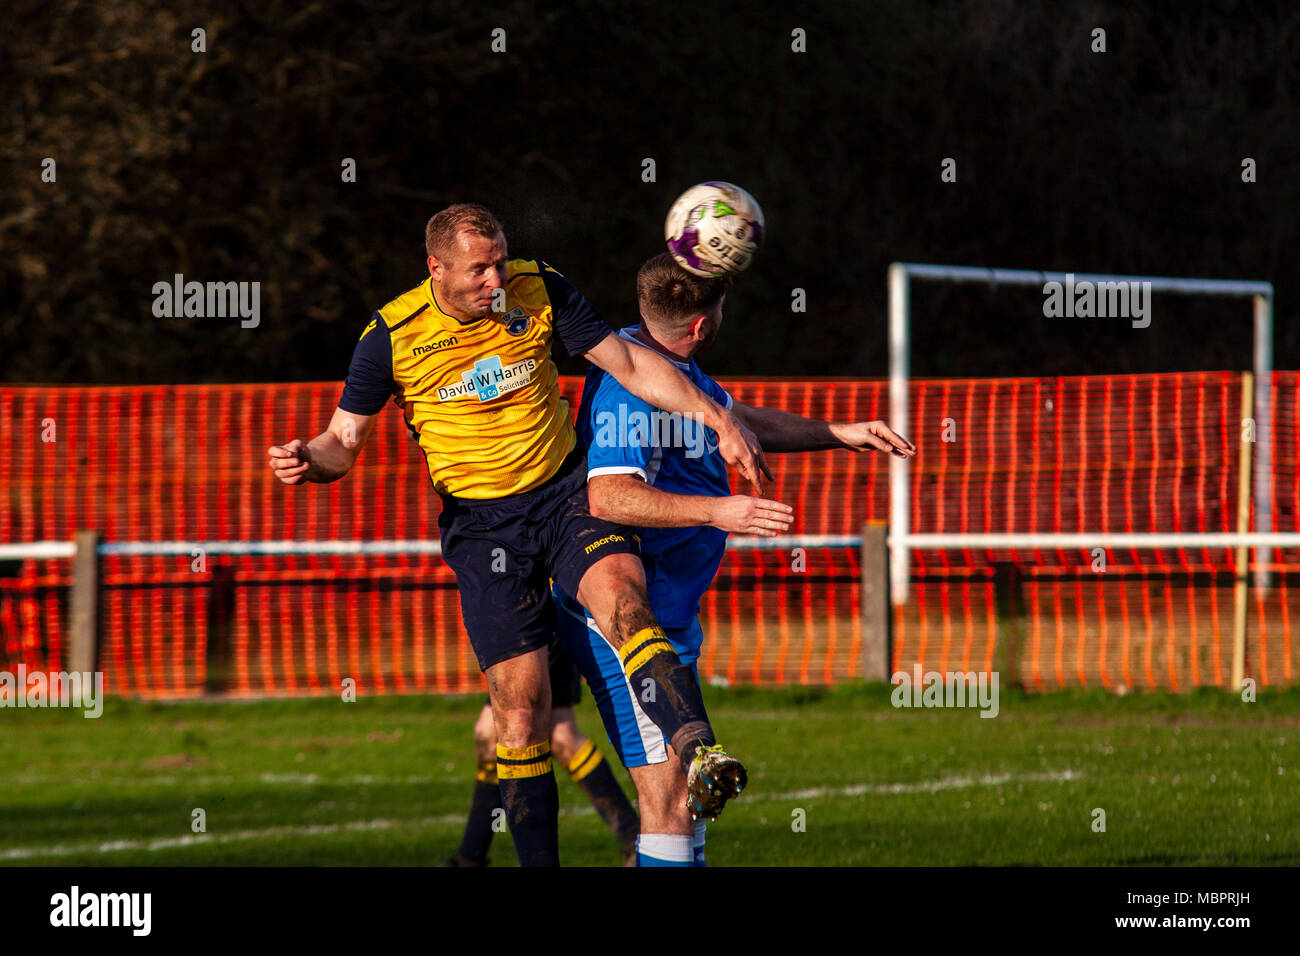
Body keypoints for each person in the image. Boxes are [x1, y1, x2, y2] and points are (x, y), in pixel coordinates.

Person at [267, 205, 767, 866]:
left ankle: (699, 750)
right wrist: (309, 460)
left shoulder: (541, 289)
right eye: (479, 267)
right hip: (482, 529)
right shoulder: (390, 336)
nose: (495, 276)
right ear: (436, 268)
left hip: (563, 498)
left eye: (501, 260)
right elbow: (343, 442)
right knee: (521, 709)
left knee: (623, 596)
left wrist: (714, 416)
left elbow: (631, 365)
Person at [554, 253, 916, 866]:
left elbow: (737, 420)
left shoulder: (661, 362)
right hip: (631, 625)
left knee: (688, 808)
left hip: (669, 614)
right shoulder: (630, 390)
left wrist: (837, 432)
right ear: (701, 324)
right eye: (720, 304)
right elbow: (608, 493)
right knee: (668, 802)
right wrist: (718, 511)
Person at [444, 642, 639, 867]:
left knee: (557, 736)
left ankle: (633, 836)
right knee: (535, 736)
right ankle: (470, 854)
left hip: (536, 628)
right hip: (521, 628)